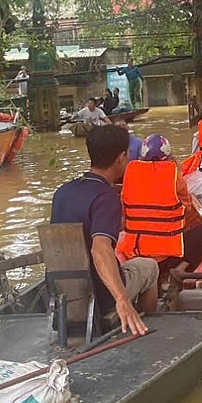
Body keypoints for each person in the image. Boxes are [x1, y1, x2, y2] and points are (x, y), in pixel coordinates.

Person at [50, 126, 157, 336]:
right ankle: (139, 326)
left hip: (61, 294)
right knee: (150, 267)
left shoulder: (61, 192)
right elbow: (100, 250)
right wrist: (121, 299)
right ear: (121, 157)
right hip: (102, 294)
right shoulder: (106, 198)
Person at [118, 134, 202, 274]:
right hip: (165, 258)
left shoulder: (130, 174)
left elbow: (124, 212)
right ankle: (180, 269)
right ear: (169, 157)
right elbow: (187, 209)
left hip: (135, 254)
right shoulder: (173, 175)